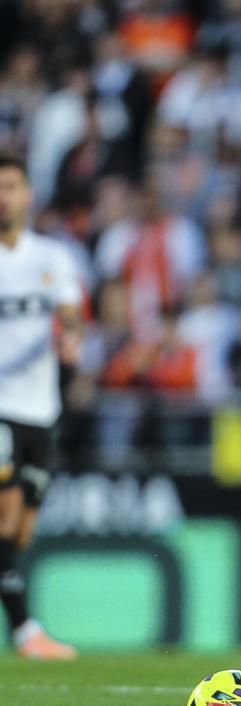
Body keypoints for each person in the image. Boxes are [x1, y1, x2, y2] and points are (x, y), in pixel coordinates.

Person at [0, 153, 84, 659]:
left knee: (21, 529)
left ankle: (22, 628)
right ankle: (26, 630)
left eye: (10, 185)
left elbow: (70, 315)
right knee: (6, 515)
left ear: (28, 194)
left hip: (40, 408)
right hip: (0, 408)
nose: (3, 196)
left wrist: (70, 338)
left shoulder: (52, 257)